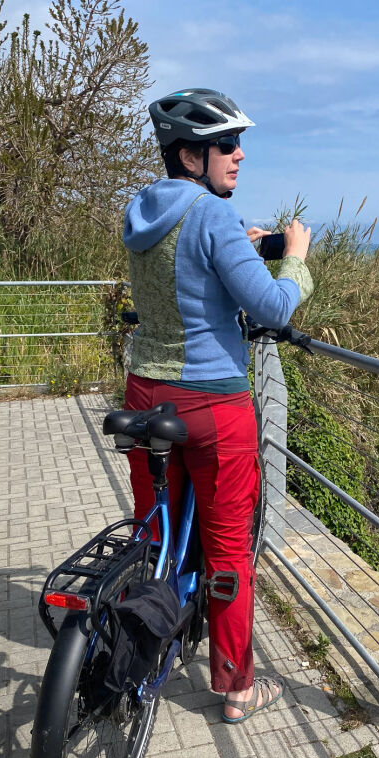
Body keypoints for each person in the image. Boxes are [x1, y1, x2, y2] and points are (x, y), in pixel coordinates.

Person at [122, 87, 313, 723]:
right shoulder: (212, 217)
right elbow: (274, 307)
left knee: (158, 531)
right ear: (188, 154)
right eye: (224, 146)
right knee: (228, 547)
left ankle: (152, 632)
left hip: (146, 394)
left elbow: (189, 280)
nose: (237, 156)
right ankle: (236, 687)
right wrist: (295, 260)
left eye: (237, 146)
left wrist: (240, 240)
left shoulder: (143, 211)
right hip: (210, 407)